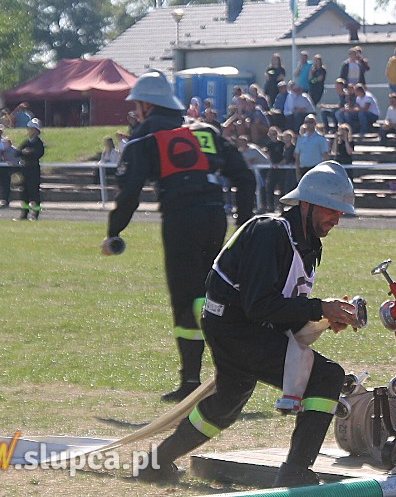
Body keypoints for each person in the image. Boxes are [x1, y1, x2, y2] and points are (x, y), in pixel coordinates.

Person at [138, 161, 361, 486]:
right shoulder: (269, 232)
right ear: (306, 203)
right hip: (235, 329)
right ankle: (296, 472)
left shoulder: (310, 243)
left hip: (243, 329)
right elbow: (260, 306)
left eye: (341, 213)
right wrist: (318, 308)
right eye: (331, 210)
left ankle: (156, 463)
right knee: (328, 377)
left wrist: (323, 316)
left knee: (226, 405)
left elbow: (281, 303)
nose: (336, 219)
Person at [102, 70, 254, 401]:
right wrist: (245, 225)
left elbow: (129, 194)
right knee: (214, 294)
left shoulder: (144, 140)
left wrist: (114, 233)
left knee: (187, 299)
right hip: (216, 217)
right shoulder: (206, 132)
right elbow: (245, 177)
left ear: (144, 105)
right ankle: (230, 371)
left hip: (180, 219)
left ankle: (190, 381)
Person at [18, 119, 45, 220]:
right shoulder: (26, 142)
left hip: (34, 170)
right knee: (24, 193)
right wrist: (24, 152)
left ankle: (35, 214)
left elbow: (39, 153)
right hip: (25, 170)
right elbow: (18, 152)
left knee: (34, 193)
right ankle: (24, 214)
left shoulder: (39, 143)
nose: (29, 131)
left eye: (31, 129)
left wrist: (29, 152)